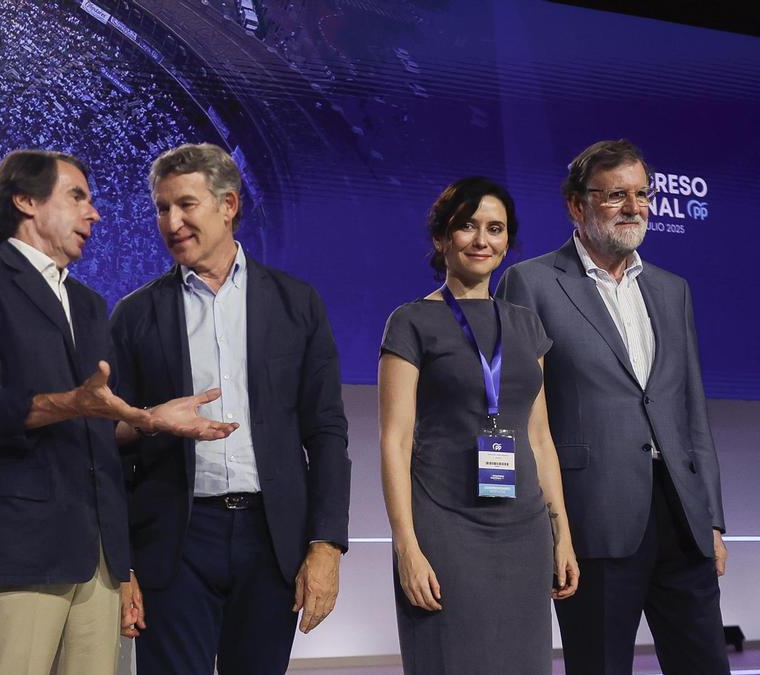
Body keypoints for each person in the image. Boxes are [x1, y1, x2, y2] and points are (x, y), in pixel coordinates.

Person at [0, 149, 236, 675]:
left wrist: (149, 419)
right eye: (77, 197)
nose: (94, 214)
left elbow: (96, 433)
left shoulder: (91, 304)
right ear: (25, 201)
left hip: (99, 565)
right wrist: (74, 403)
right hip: (19, 553)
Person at [110, 143, 351, 675]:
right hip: (174, 544)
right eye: (161, 208)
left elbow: (327, 431)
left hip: (272, 542)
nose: (171, 222)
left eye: (186, 205)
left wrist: (327, 544)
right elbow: (109, 444)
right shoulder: (134, 315)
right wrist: (121, 564)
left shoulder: (296, 302)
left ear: (228, 205)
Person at [496, 139, 729, 675]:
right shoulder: (530, 283)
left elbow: (690, 411)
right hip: (591, 521)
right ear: (577, 206)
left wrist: (712, 519)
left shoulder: (674, 290)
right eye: (616, 195)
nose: (634, 207)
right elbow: (514, 414)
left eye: (642, 194)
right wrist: (548, 526)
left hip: (682, 519)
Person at [378, 177, 579, 674]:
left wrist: (563, 534)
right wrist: (406, 546)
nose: (481, 240)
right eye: (466, 226)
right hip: (444, 528)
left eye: (495, 228)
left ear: (508, 241)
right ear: (442, 238)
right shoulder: (410, 322)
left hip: (523, 531)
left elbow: (538, 437)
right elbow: (395, 439)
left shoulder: (526, 324)